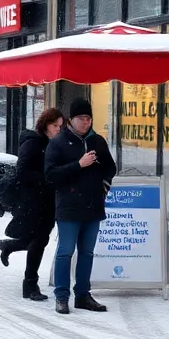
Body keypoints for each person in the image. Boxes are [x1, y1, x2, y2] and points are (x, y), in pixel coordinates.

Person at [44, 98, 116, 316]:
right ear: (71, 120)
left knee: (87, 252)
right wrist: (78, 165)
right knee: (65, 252)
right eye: (81, 118)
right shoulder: (58, 142)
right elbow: (50, 175)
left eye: (88, 118)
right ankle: (62, 296)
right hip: (69, 207)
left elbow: (110, 167)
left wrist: (103, 187)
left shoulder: (98, 142)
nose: (86, 122)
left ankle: (83, 295)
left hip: (93, 207)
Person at [0, 108, 64, 302]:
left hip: (49, 200)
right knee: (39, 240)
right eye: (55, 126)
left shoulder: (54, 144)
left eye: (61, 126)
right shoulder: (33, 144)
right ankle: (30, 285)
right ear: (45, 125)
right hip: (33, 201)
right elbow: (23, 171)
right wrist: (47, 179)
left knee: (40, 240)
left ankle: (9, 246)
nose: (58, 129)